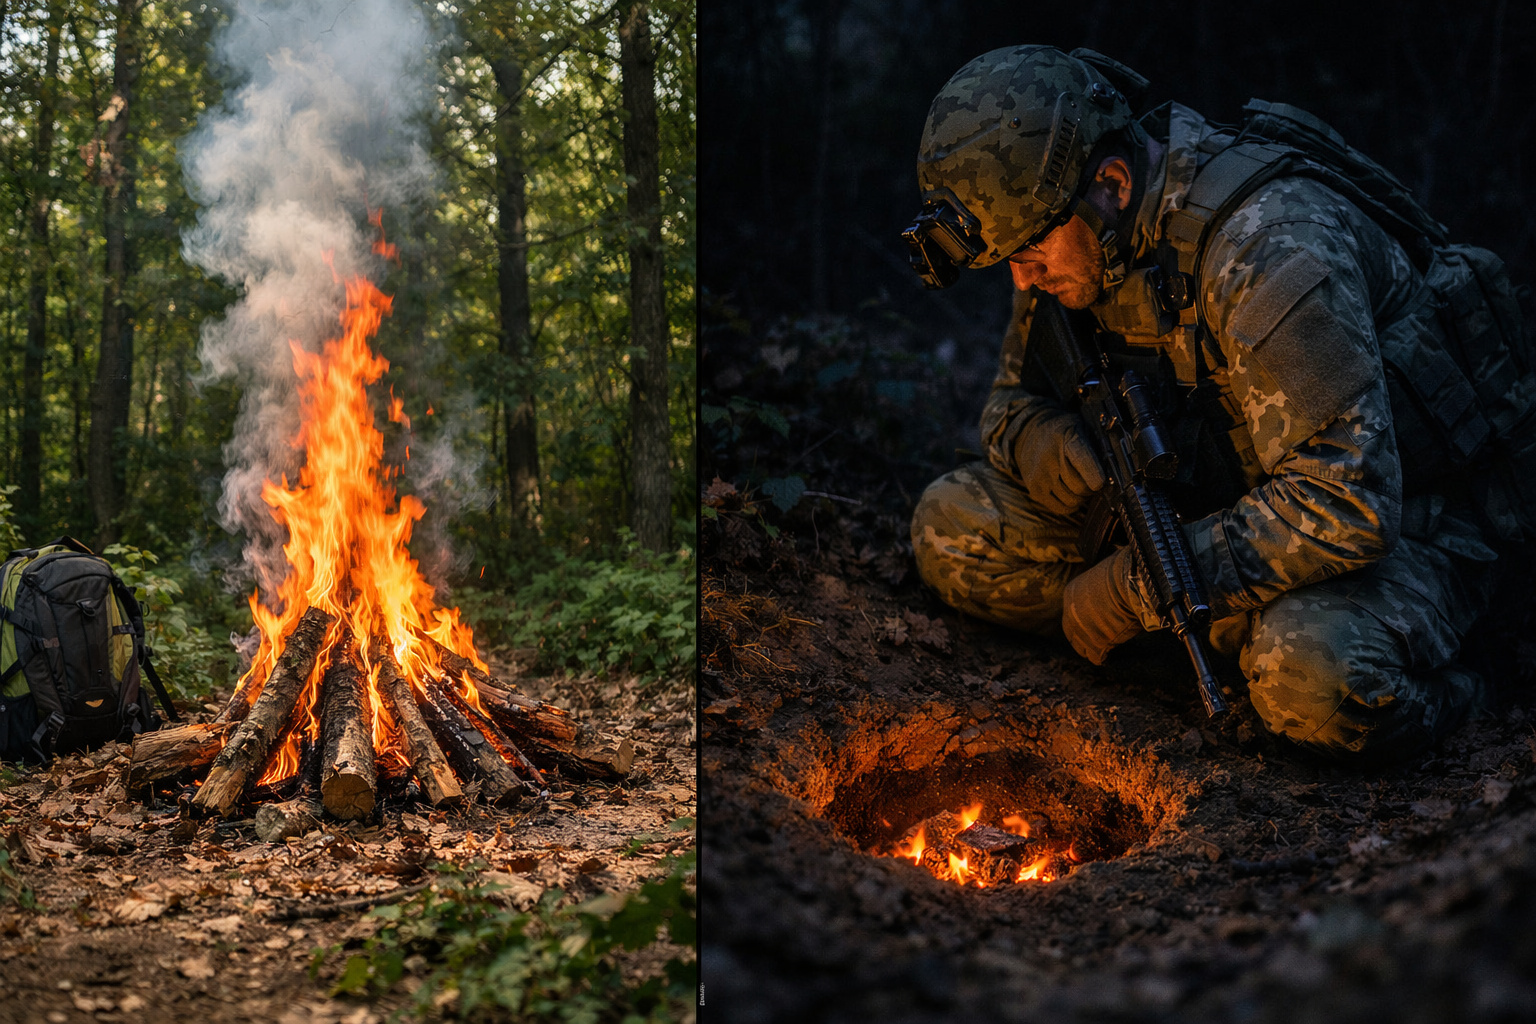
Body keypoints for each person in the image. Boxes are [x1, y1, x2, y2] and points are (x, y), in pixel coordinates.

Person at [904, 45, 1533, 761]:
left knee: (1313, 679)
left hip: (1414, 526)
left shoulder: (1266, 245)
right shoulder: (1075, 237)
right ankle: (1207, 635)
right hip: (1213, 508)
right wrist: (1034, 434)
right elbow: (1007, 402)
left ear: (1109, 180)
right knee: (952, 528)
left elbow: (1346, 507)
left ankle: (1467, 690)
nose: (1021, 281)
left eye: (1030, 252)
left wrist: (1131, 590)